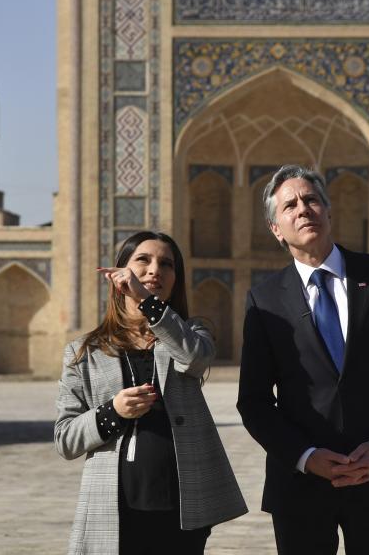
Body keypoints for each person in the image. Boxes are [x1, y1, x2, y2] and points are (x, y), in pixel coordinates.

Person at [237, 165, 369, 555]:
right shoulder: (265, 299)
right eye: (290, 205)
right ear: (277, 229)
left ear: (329, 211)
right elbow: (254, 400)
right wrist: (306, 457)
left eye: (311, 200)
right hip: (300, 484)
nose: (303, 209)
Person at [55, 231, 247, 555]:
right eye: (143, 260)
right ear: (120, 273)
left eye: (166, 264)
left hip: (182, 506)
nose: (155, 269)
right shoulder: (85, 352)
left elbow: (194, 358)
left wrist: (147, 301)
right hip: (116, 507)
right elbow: (65, 439)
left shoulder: (190, 333)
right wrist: (112, 411)